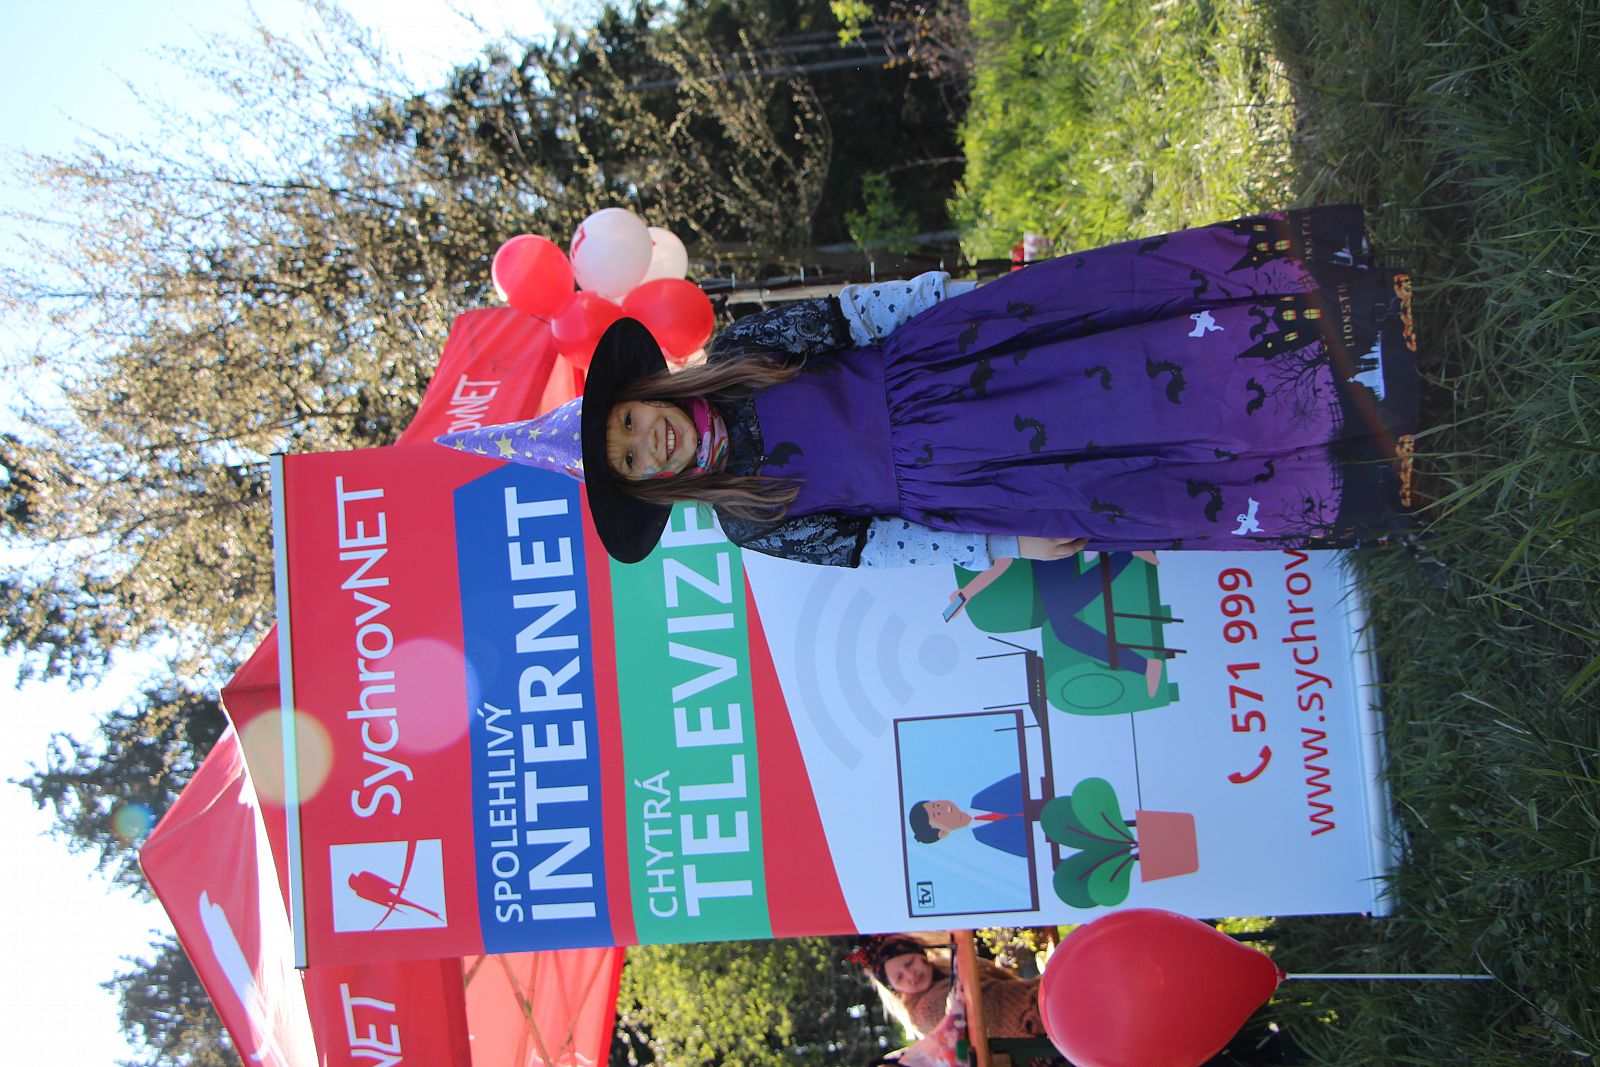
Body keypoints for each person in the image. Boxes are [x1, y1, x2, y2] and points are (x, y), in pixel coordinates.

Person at [439, 207, 1419, 570]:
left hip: (961, 368)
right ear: (648, 486)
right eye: (631, 461)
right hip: (977, 482)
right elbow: (885, 548)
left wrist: (963, 303)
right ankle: (1362, 445)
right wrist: (1005, 541)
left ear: (643, 393)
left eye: (629, 424)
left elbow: (857, 316)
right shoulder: (751, 519)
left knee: (1139, 366)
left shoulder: (741, 348)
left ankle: (1342, 325)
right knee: (1148, 461)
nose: (647, 441)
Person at [853, 934, 1046, 1042]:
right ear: (894, 988)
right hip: (1035, 1028)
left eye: (910, 963)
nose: (910, 976)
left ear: (922, 955)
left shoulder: (956, 967)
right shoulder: (925, 1011)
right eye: (899, 977)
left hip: (1038, 1003)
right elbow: (992, 1010)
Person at [908, 774, 1046, 858]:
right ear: (942, 833)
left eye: (936, 804)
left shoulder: (982, 799)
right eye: (937, 814)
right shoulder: (984, 836)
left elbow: (1019, 780)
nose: (942, 808)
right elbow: (1025, 850)